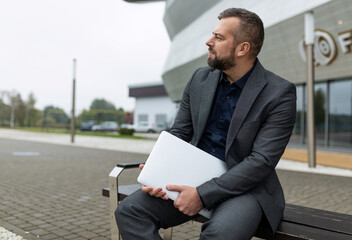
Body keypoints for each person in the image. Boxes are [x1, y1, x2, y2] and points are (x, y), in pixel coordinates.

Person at [115, 8, 296, 240]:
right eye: (213, 34)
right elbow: (179, 132)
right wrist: (158, 171)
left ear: (243, 48)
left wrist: (202, 194)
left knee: (218, 235)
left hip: (246, 189)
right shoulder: (199, 78)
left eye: (219, 38)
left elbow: (260, 162)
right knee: (130, 212)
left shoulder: (279, 93)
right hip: (192, 177)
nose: (209, 42)